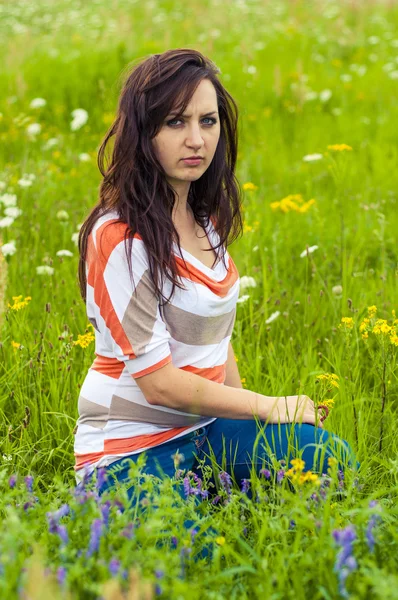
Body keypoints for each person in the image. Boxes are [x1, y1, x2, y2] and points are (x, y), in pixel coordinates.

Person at [73, 48, 359, 513]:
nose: (196, 140)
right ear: (143, 132)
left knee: (327, 457)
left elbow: (215, 336)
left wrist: (252, 422)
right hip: (129, 453)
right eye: (174, 122)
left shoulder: (202, 217)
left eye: (208, 121)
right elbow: (160, 385)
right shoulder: (120, 237)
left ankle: (220, 493)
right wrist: (268, 407)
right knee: (194, 563)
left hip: (203, 430)